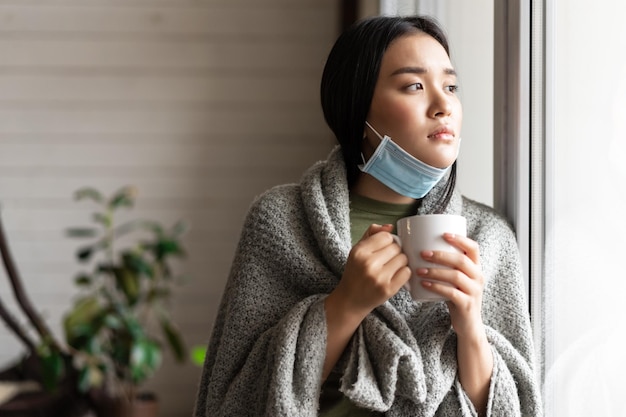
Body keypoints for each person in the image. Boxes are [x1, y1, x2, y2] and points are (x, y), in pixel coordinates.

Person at [193, 15, 542, 417]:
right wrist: (346, 304)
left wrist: (470, 327)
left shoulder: (489, 238)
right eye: (414, 86)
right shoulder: (282, 221)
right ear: (358, 108)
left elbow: (514, 408)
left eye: (450, 86)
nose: (443, 105)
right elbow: (234, 398)